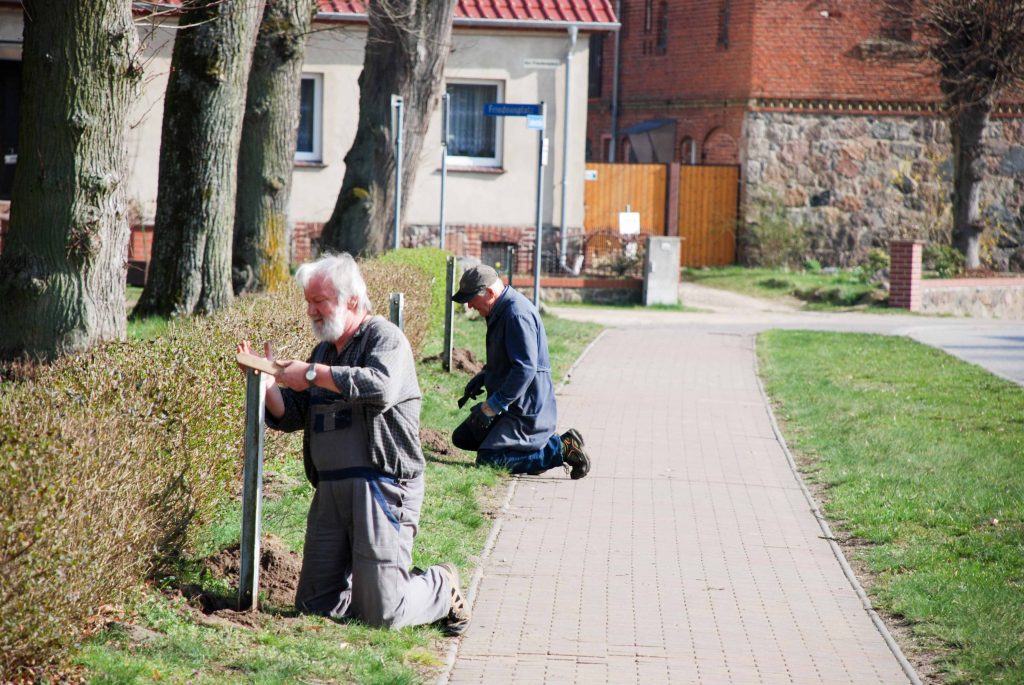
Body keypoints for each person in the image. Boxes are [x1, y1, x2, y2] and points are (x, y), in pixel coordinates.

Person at [236, 253, 470, 634]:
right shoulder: (325, 351)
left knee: (382, 614)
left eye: (319, 301)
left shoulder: (384, 338)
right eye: (308, 302)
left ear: (351, 300)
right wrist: (269, 386)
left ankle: (441, 586)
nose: (310, 310)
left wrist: (311, 374)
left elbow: (380, 386)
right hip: (331, 490)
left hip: (382, 486)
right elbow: (295, 413)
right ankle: (366, 591)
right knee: (315, 606)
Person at [450, 264, 591, 479]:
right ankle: (530, 457)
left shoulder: (516, 314)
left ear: (488, 292)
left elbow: (525, 369)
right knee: (464, 437)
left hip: (527, 409)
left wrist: (492, 406)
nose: (469, 305)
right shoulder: (500, 309)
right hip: (513, 403)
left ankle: (561, 448)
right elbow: (509, 357)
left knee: (489, 460)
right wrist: (484, 376)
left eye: (471, 299)